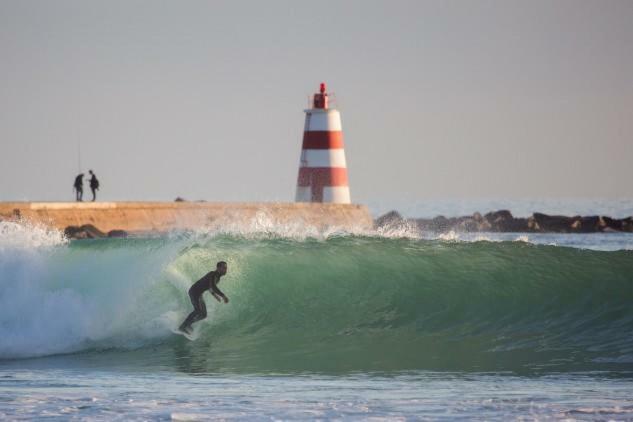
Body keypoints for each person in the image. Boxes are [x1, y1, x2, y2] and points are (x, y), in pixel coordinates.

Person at [179, 261, 229, 334]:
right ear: (218, 268)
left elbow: (210, 286)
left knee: (204, 315)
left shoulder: (217, 277)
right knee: (198, 310)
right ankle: (182, 327)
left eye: (226, 268)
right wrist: (223, 296)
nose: (225, 270)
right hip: (194, 292)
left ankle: (188, 324)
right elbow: (213, 286)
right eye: (224, 268)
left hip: (199, 294)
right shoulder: (212, 274)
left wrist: (215, 295)